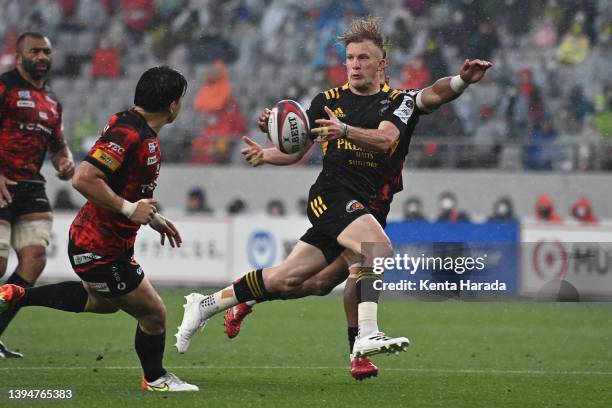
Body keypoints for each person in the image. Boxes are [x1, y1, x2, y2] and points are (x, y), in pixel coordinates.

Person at [175, 16, 492, 371]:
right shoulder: (326, 101)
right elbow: (297, 150)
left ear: (381, 64)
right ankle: (364, 340)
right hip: (332, 196)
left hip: (369, 207)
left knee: (301, 280)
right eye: (351, 58)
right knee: (378, 250)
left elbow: (399, 127)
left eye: (364, 58)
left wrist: (463, 80)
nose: (355, 65)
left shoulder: (398, 102)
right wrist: (269, 151)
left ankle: (208, 304)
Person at [0, 66, 198, 392]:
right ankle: (156, 378)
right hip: (100, 247)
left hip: (102, 244)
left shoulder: (136, 128)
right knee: (153, 315)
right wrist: (128, 208)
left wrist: (150, 216)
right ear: (173, 105)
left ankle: (18, 295)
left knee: (103, 302)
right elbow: (83, 177)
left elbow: (124, 188)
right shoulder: (130, 133)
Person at [0, 32, 75, 358]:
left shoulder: (52, 102)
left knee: (33, 262)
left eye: (47, 51)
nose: (43, 56)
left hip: (31, 185)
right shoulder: (5, 88)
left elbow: (57, 144)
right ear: (20, 56)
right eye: (35, 51)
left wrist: (65, 160)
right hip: (2, 182)